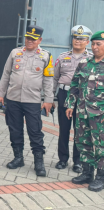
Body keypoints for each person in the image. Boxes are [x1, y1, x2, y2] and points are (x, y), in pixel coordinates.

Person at [0, 25, 54, 177]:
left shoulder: (46, 56)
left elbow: (48, 80)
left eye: (33, 39)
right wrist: (0, 94)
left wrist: (48, 100)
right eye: (28, 38)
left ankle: (39, 162)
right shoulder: (15, 53)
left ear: (39, 40)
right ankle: (18, 157)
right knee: (15, 129)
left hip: (33, 101)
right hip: (13, 99)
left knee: (35, 131)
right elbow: (6, 74)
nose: (30, 41)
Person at [66, 30, 104, 192]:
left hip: (100, 115)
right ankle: (87, 173)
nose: (94, 47)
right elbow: (74, 85)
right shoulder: (84, 63)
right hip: (82, 112)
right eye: (93, 44)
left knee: (101, 145)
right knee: (83, 142)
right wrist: (70, 104)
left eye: (98, 44)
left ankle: (101, 176)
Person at [53, 25, 93, 173]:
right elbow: (54, 79)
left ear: (87, 41)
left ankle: (78, 161)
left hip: (83, 97)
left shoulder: (91, 59)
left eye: (81, 39)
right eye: (76, 37)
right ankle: (63, 159)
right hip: (64, 94)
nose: (78, 41)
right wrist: (49, 98)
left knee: (80, 130)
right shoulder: (62, 57)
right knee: (64, 128)